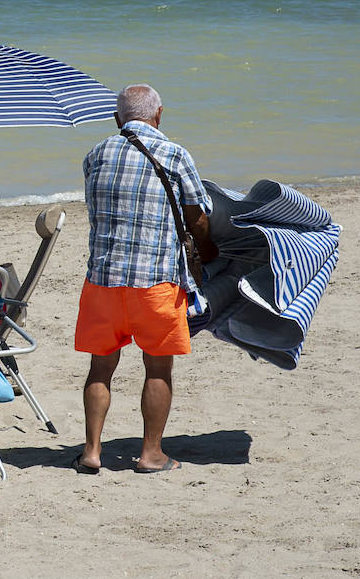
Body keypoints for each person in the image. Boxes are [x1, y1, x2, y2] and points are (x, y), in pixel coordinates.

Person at [73, 84, 217, 475]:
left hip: (103, 278)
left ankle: (91, 451)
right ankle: (150, 454)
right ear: (159, 114)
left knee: (100, 369)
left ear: (118, 119)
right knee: (157, 369)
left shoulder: (95, 155)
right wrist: (209, 252)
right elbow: (197, 216)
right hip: (155, 281)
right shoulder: (174, 153)